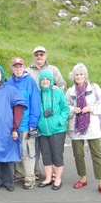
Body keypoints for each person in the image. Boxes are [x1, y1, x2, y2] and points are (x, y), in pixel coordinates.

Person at [65, 63, 101, 196]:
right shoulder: (70, 90)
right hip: (76, 126)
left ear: (85, 75)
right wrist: (74, 109)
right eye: (76, 74)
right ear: (73, 76)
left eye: (81, 74)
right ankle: (82, 178)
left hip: (92, 125)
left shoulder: (94, 88)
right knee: (78, 154)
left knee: (96, 154)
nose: (78, 77)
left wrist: (90, 108)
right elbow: (66, 106)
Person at [0, 65, 28, 192]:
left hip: (8, 129)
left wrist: (15, 128)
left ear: (2, 74)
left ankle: (8, 182)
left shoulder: (10, 90)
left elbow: (18, 109)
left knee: (8, 156)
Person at [26, 46, 67, 181]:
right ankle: (36, 170)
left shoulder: (53, 69)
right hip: (36, 113)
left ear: (45, 55)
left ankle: (56, 173)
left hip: (52, 113)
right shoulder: (27, 71)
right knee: (38, 146)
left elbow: (62, 84)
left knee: (55, 148)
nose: (39, 56)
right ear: (33, 56)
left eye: (41, 54)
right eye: (36, 54)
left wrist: (54, 89)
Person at [7, 58, 41, 190]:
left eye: (20, 66)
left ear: (24, 67)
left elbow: (35, 103)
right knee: (16, 151)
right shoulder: (9, 82)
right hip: (13, 125)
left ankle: (30, 177)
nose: (17, 69)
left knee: (27, 151)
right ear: (12, 68)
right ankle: (20, 174)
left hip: (27, 124)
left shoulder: (30, 81)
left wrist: (33, 122)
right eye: (15, 66)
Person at [37, 71, 69, 190]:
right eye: (42, 80)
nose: (45, 81)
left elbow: (65, 109)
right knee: (46, 155)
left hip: (57, 130)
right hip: (43, 131)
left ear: (51, 81)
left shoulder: (58, 92)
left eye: (47, 79)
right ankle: (48, 178)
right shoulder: (38, 94)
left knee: (57, 154)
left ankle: (58, 178)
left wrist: (59, 121)